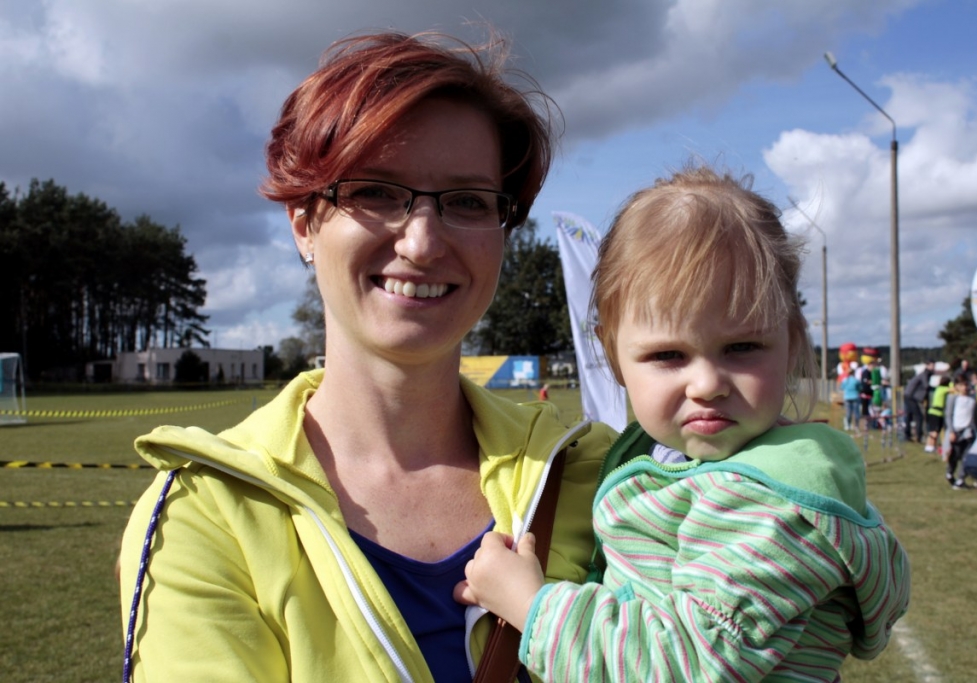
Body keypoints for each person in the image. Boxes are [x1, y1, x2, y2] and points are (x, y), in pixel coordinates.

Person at [118, 31, 616, 683]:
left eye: (468, 201)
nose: (423, 241)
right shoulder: (205, 514)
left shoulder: (600, 474)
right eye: (377, 191)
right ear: (304, 221)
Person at [454, 166, 910, 682]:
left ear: (792, 341)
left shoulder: (769, 502)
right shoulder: (662, 455)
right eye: (668, 355)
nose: (707, 384)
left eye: (742, 347)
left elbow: (683, 663)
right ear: (612, 355)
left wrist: (529, 604)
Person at [945, 376, 977, 489]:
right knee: (955, 455)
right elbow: (948, 415)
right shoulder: (953, 398)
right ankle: (950, 473)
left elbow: (976, 418)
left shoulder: (973, 399)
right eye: (961, 385)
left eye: (966, 385)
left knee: (967, 457)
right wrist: (951, 431)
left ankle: (961, 479)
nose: (964, 387)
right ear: (957, 387)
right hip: (956, 431)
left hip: (968, 431)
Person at [903, 360, 934, 442]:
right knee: (919, 417)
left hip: (908, 395)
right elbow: (926, 386)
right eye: (931, 365)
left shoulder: (925, 374)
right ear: (927, 365)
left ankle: (907, 435)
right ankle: (918, 436)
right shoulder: (924, 375)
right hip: (911, 397)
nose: (933, 367)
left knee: (909, 416)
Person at [925, 375, 952, 453]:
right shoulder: (942, 389)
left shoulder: (939, 388)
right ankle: (930, 446)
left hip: (939, 413)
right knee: (934, 431)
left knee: (935, 431)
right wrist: (952, 383)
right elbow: (953, 388)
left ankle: (931, 446)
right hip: (935, 412)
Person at [841, 365, 862, 432]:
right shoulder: (856, 380)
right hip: (855, 397)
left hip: (847, 397)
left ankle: (848, 425)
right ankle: (856, 426)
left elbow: (842, 387)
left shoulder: (845, 380)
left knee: (848, 412)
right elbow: (860, 388)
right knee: (856, 412)